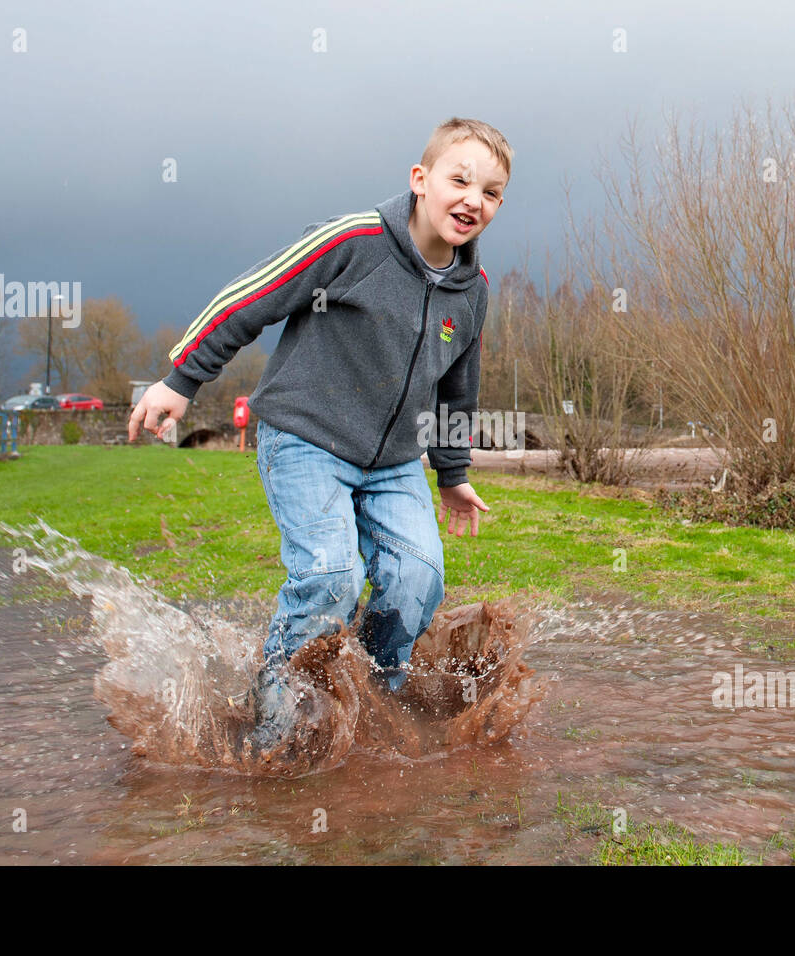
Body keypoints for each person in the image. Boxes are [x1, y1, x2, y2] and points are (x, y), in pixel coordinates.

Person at [128, 117, 512, 756]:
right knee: (333, 576)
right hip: (305, 438)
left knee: (418, 578)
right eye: (461, 179)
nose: (475, 198)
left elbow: (458, 388)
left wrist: (452, 473)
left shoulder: (471, 293)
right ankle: (275, 712)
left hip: (392, 463)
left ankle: (370, 696)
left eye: (493, 192)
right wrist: (181, 379)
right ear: (421, 181)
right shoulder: (355, 242)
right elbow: (252, 297)